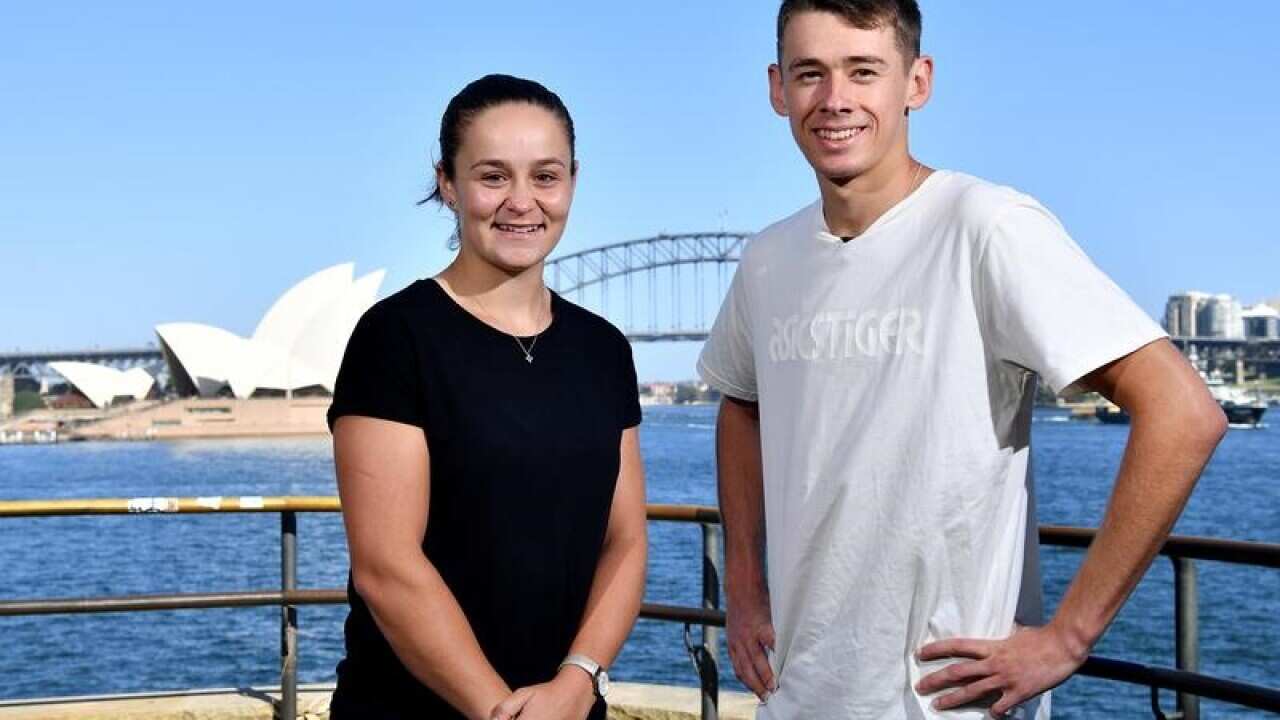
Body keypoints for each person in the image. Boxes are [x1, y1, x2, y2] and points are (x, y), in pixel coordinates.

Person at [697, 1, 1227, 717]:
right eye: (809, 74)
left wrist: (1069, 637)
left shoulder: (987, 227)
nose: (834, 100)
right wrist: (743, 584)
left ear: (917, 82)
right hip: (798, 693)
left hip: (953, 702)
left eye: (863, 71)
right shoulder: (766, 259)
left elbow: (1183, 412)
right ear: (776, 88)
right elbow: (741, 402)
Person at [326, 74, 647, 720]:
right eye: (493, 176)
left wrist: (577, 681)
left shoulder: (604, 350)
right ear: (448, 182)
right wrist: (501, 711)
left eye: (546, 177)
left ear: (574, 182)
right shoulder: (395, 338)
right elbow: (386, 567)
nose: (522, 202)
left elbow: (626, 541)